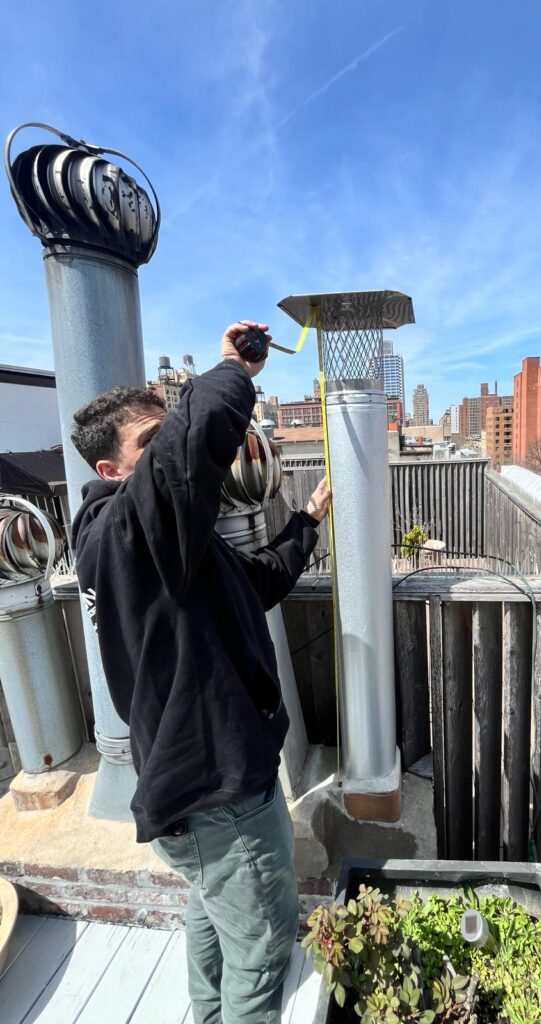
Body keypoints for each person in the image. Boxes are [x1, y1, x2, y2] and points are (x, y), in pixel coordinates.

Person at [70, 320, 331, 1024]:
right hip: (220, 792)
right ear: (112, 471)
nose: (169, 451)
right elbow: (192, 443)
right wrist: (231, 368)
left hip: (188, 790)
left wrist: (306, 522)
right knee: (263, 946)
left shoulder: (157, 545)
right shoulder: (129, 534)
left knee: (215, 911)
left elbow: (254, 583)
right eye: (150, 443)